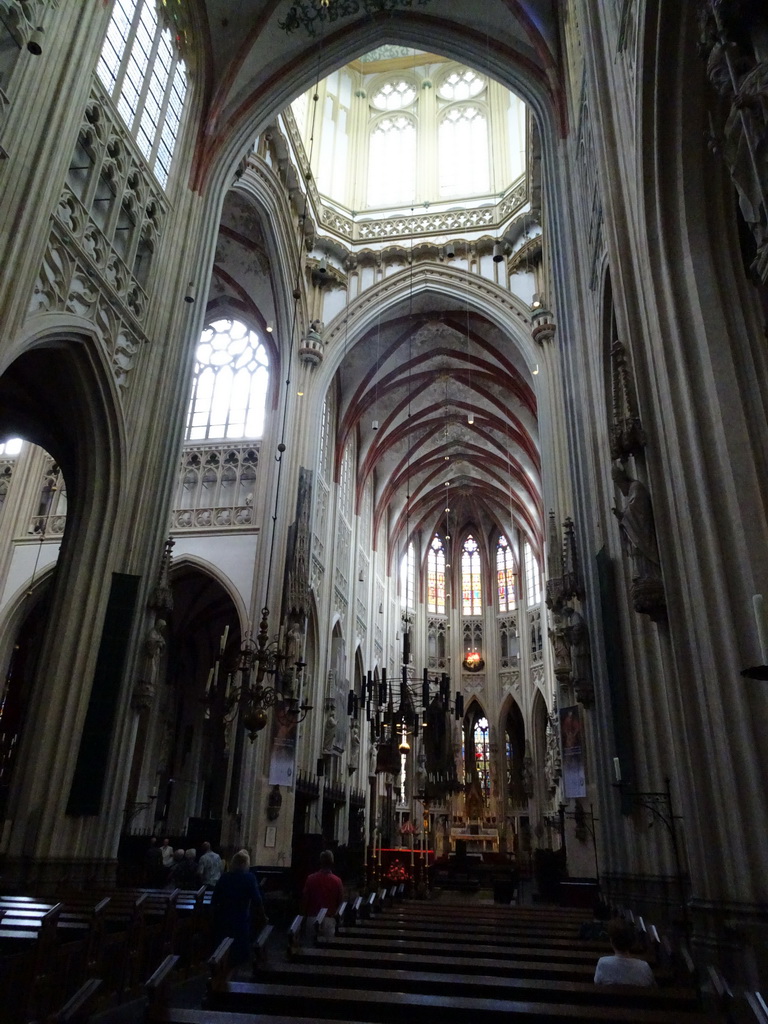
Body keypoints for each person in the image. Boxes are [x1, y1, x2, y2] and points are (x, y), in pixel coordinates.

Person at [211, 849, 267, 965]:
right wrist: (263, 916)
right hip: (240, 919)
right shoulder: (249, 878)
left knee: (223, 949)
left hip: (224, 918)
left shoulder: (224, 877)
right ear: (243, 864)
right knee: (239, 952)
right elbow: (257, 900)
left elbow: (215, 899)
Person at [594, 919, 656, 986]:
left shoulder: (603, 963)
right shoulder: (644, 967)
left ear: (611, 941)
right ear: (632, 942)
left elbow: (597, 984)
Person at [301, 849, 343, 939]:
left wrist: (303, 917)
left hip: (312, 918)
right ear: (332, 862)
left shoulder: (310, 879)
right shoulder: (337, 881)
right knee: (327, 950)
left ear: (320, 862)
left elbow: (305, 900)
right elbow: (340, 903)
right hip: (329, 919)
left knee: (310, 949)